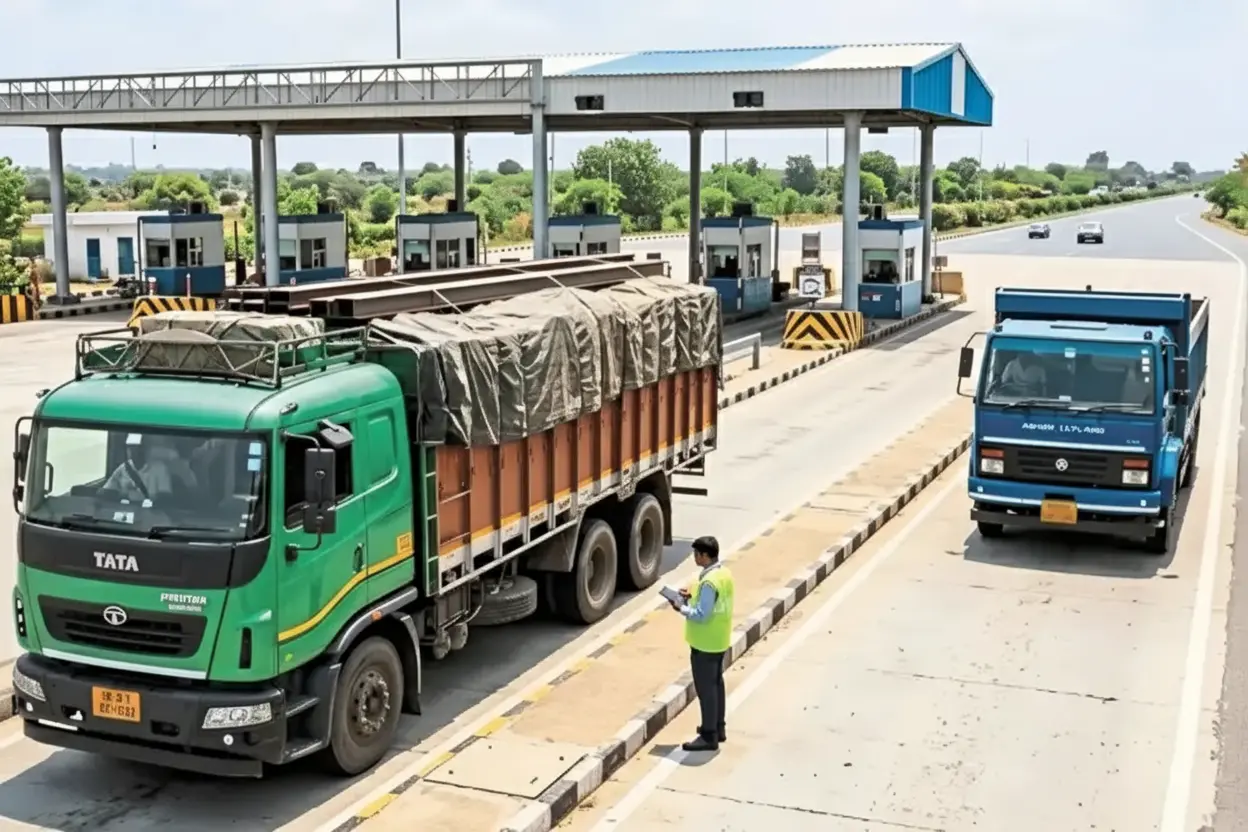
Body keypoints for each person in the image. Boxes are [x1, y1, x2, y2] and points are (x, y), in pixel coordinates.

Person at [669, 535, 735, 752]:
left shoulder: (709, 582)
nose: (694, 558)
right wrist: (691, 594)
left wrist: (682, 608)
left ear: (705, 556)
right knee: (716, 685)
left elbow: (702, 614)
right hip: (719, 639)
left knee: (706, 690)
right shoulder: (722, 573)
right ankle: (718, 727)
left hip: (705, 642)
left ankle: (708, 736)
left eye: (696, 554)